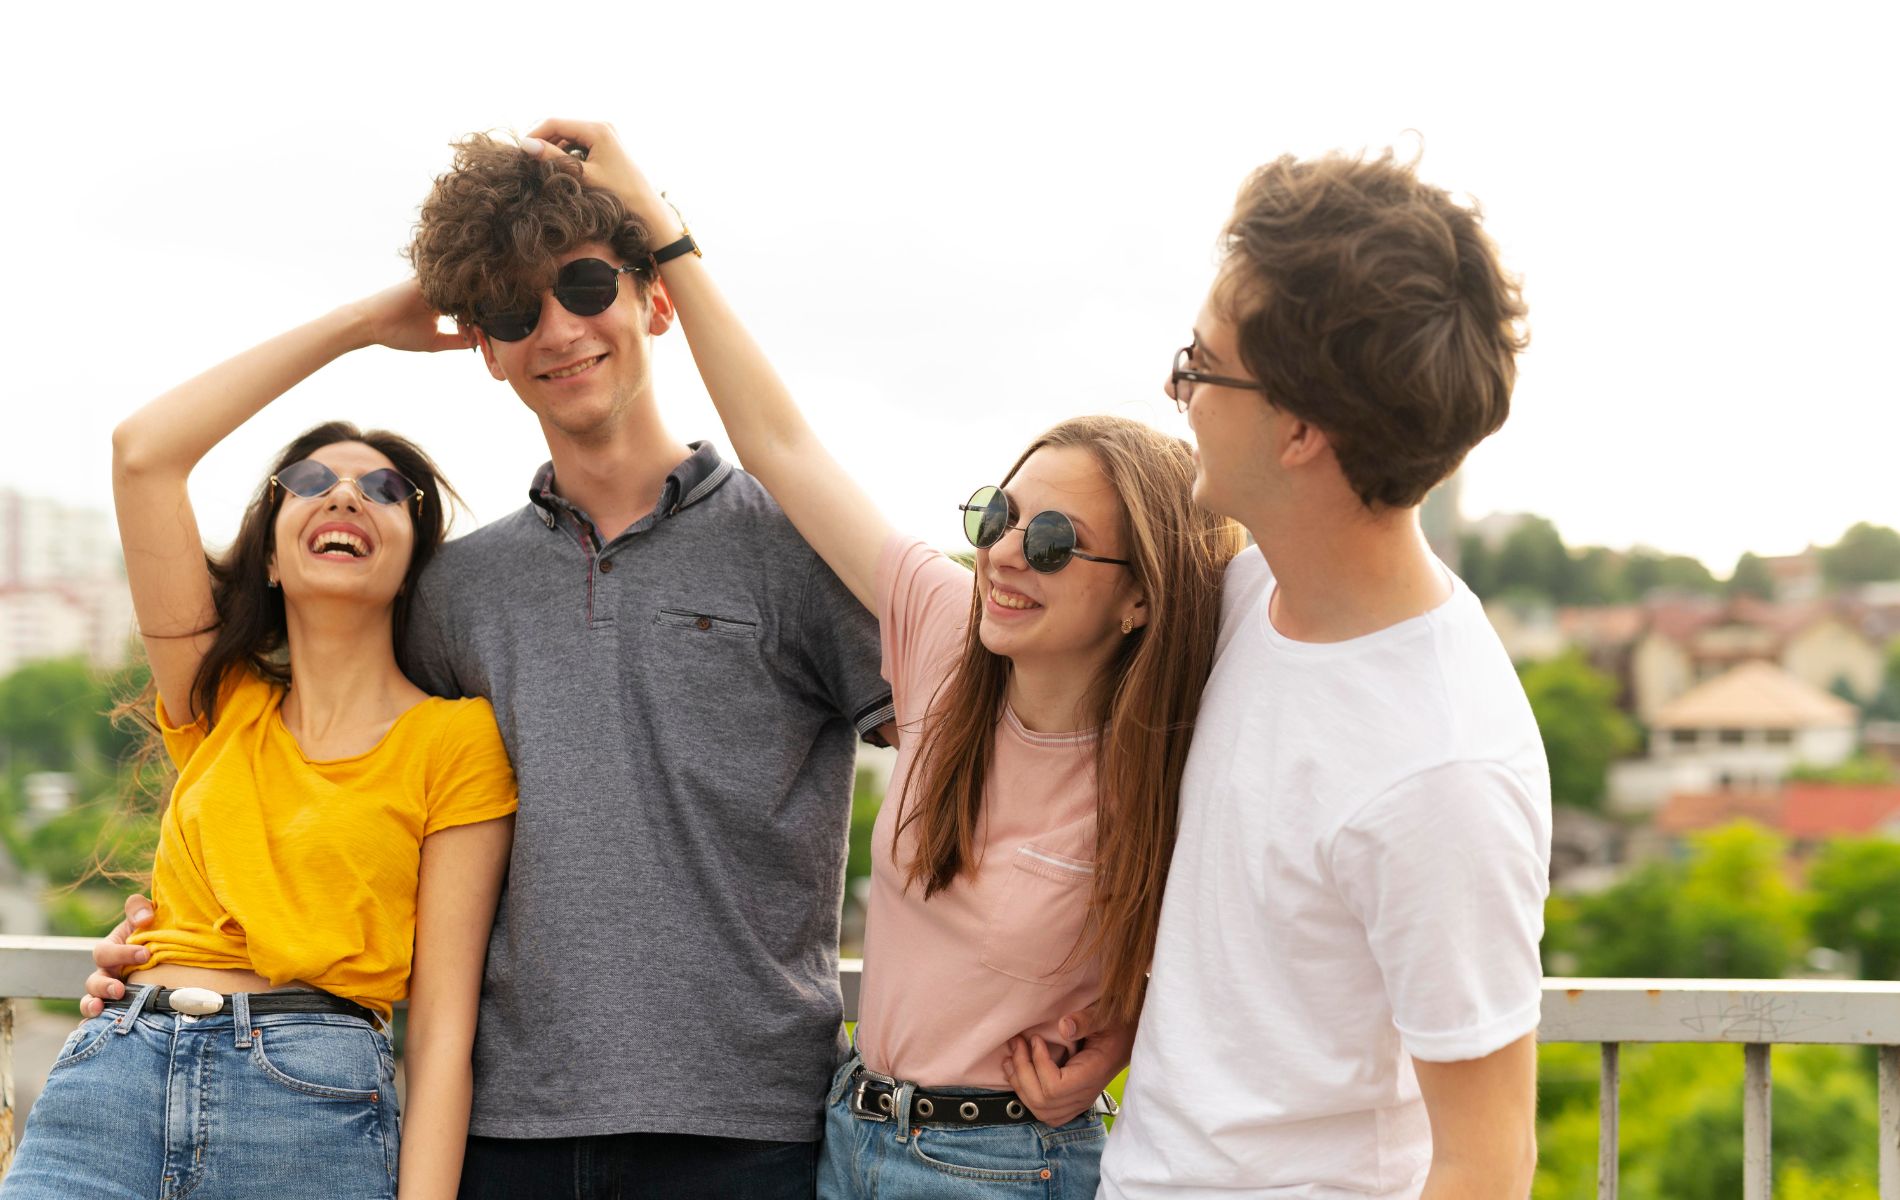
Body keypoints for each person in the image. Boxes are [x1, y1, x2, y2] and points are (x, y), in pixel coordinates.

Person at [86, 124, 897, 1199]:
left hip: (746, 1127)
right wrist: (180, 954)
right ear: (487, 348)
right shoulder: (455, 591)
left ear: (656, 298)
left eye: (585, 285)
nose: (557, 330)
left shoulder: (797, 546)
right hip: (501, 1134)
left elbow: (976, 767)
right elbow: (339, 782)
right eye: (515, 312)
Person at [504, 122, 1242, 1198]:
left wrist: (1122, 1024)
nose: (1002, 556)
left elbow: (1249, 941)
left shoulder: (1175, 756)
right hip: (849, 1139)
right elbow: (782, 446)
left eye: (1049, 542)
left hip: (1004, 1164)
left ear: (1141, 595)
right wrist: (663, 234)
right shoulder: (944, 634)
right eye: (998, 515)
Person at [1097, 149, 1552, 1198]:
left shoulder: (1441, 770)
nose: (1177, 392)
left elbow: (1488, 1164)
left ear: (1301, 428)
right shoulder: (1250, 598)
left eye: (1201, 366)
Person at [13, 286, 519, 1200]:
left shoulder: (457, 740)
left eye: (385, 491)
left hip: (308, 1106)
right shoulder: (217, 697)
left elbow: (443, 1035)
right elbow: (143, 455)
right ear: (275, 554)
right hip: (111, 1083)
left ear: (413, 558)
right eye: (315, 482)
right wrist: (363, 326)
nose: (348, 496)